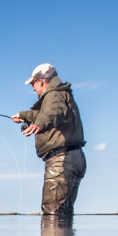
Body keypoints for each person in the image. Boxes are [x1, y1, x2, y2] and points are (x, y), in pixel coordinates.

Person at [10, 63, 86, 219]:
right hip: (75, 157)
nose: (33, 89)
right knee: (63, 214)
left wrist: (40, 124)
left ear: (41, 81)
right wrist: (25, 115)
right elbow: (48, 112)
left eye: (33, 84)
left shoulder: (54, 95)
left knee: (52, 214)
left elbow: (53, 112)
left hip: (61, 160)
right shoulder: (61, 94)